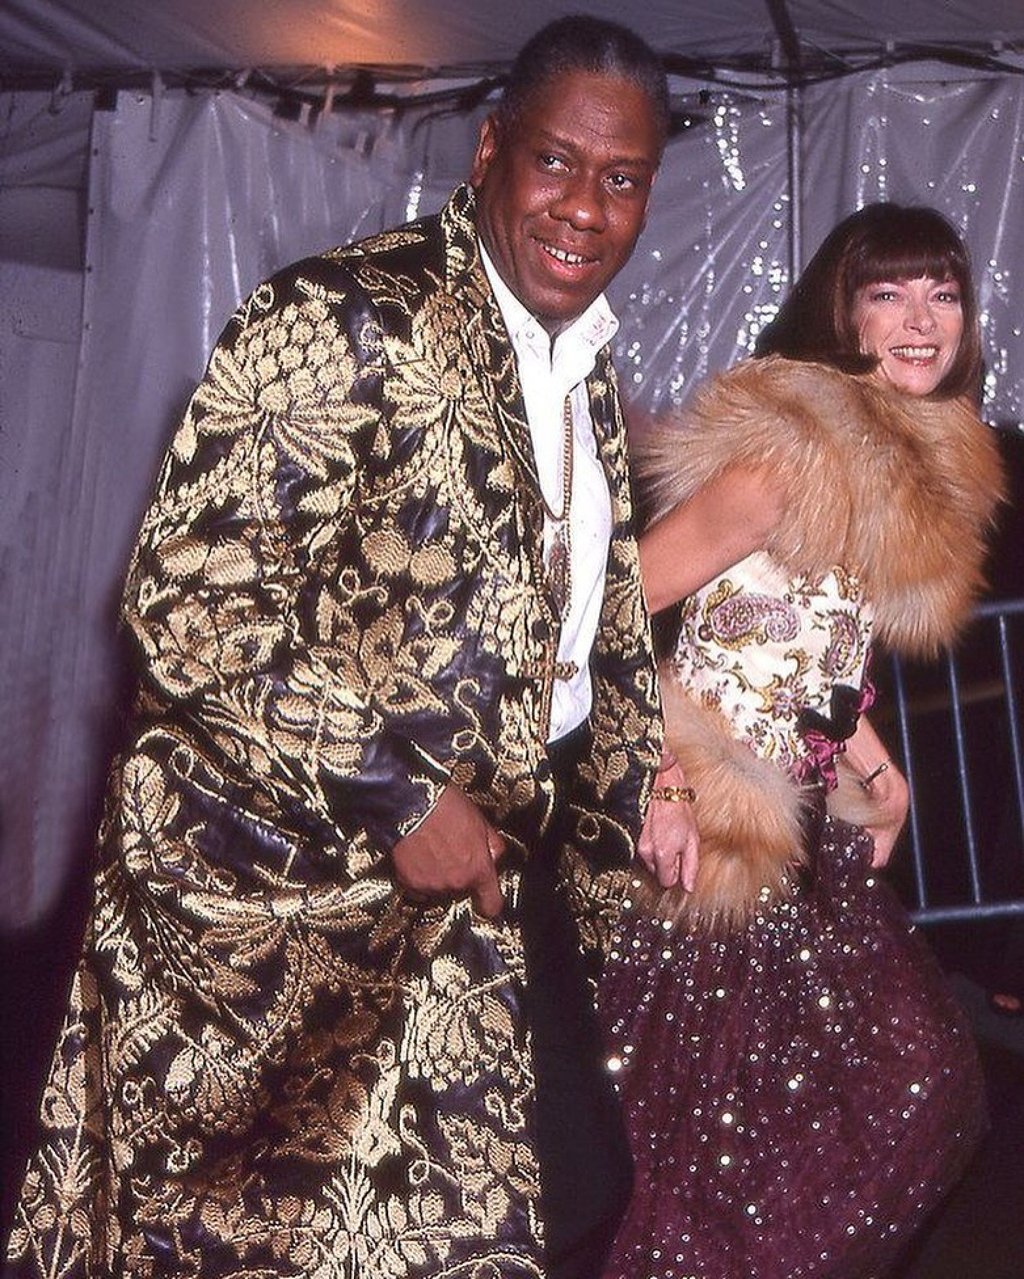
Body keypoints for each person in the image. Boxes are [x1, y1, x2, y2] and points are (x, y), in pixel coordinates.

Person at [6, 17, 691, 1279]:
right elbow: (188, 597)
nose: (584, 208)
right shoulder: (344, 315)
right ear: (488, 153)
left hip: (481, 887)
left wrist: (645, 777)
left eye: (622, 178)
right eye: (555, 162)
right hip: (290, 907)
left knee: (559, 1195)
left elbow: (568, 622)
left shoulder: (580, 368)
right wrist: (397, 790)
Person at [598, 204, 1005, 1279]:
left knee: (917, 1089)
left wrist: (877, 767)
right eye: (889, 293)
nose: (921, 319)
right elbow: (607, 614)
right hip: (709, 844)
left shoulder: (892, 467)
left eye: (943, 292)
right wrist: (654, 776)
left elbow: (801, 645)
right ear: (844, 314)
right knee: (682, 1154)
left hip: (804, 832)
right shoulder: (785, 461)